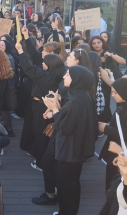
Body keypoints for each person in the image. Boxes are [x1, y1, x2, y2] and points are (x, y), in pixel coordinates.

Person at [42, 66, 96, 215]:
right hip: (78, 148)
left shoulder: (74, 100)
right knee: (71, 183)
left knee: (66, 185)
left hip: (69, 150)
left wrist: (55, 110)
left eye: (68, 74)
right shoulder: (84, 95)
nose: (64, 76)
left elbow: (65, 128)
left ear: (77, 79)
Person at [16, 38, 65, 171]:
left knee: (41, 135)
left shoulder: (46, 76)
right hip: (44, 106)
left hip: (41, 107)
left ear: (48, 64)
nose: (41, 63)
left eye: (44, 62)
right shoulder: (55, 74)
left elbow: (29, 68)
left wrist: (20, 51)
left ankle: (41, 163)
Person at [99, 77, 127, 190]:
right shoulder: (122, 107)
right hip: (117, 151)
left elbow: (124, 133)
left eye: (116, 93)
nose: (113, 95)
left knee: (114, 184)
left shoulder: (123, 111)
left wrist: (106, 128)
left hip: (118, 152)